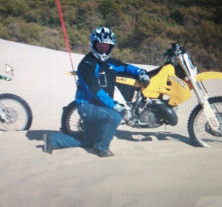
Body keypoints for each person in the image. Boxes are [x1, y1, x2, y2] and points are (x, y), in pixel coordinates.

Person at [43, 26, 150, 157]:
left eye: (107, 47)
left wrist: (141, 72)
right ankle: (101, 148)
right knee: (115, 116)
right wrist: (115, 106)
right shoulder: (86, 64)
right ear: (93, 44)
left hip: (100, 107)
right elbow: (95, 90)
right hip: (87, 106)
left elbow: (125, 67)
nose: (103, 50)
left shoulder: (110, 63)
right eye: (100, 46)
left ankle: (52, 140)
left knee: (87, 141)